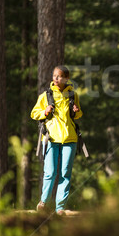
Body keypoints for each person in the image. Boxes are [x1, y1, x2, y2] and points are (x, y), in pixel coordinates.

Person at [31, 65, 83, 215]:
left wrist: (77, 112)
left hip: (70, 138)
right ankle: (43, 202)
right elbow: (34, 114)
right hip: (51, 138)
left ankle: (60, 208)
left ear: (67, 78)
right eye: (54, 75)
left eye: (60, 76)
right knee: (50, 172)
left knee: (65, 173)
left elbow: (77, 116)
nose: (56, 78)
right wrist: (44, 111)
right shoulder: (46, 95)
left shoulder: (73, 95)